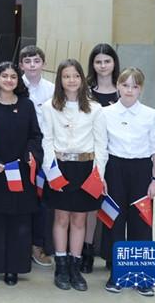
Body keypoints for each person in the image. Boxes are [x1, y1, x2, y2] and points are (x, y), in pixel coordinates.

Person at [0, 61, 43, 286]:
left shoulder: (26, 105)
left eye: (13, 76)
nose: (9, 80)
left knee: (19, 223)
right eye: (4, 76)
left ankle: (14, 268)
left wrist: (32, 154)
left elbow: (35, 135)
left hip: (21, 173)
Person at [41, 59, 106, 292]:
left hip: (86, 168)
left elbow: (101, 144)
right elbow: (46, 141)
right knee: (61, 218)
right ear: (60, 79)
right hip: (59, 166)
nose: (71, 80)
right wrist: (52, 172)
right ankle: (61, 266)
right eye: (66, 76)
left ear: (82, 78)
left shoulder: (95, 108)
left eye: (76, 76)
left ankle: (75, 267)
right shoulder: (49, 107)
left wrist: (98, 175)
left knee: (79, 220)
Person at [103, 68, 155, 296]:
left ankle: (142, 277)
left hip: (141, 171)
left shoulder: (150, 115)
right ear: (118, 86)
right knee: (115, 221)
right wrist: (101, 177)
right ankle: (117, 274)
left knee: (141, 222)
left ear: (141, 89)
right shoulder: (105, 114)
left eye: (135, 86)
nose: (129, 90)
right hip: (114, 169)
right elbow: (101, 147)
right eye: (125, 85)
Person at [83, 43, 121, 273]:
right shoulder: (86, 90)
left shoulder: (122, 88)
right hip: (92, 155)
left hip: (117, 155)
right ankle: (87, 250)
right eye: (98, 62)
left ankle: (110, 250)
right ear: (93, 64)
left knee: (113, 205)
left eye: (107, 61)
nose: (103, 65)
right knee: (90, 206)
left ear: (114, 63)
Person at [19, 45, 55, 267]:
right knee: (20, 199)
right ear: (21, 65)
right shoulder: (14, 85)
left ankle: (38, 245)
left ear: (43, 63)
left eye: (36, 61)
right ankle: (20, 245)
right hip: (19, 150)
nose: (32, 65)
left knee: (42, 200)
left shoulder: (52, 89)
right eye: (27, 61)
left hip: (45, 151)